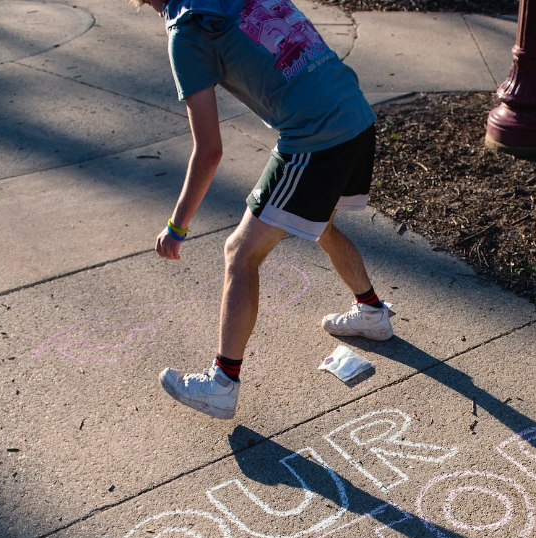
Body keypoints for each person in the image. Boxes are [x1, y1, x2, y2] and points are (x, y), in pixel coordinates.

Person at [136, 0, 391, 419]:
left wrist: (177, 225)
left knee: (240, 252)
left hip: (316, 137)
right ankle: (372, 313)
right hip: (356, 115)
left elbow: (209, 151)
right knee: (318, 222)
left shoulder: (188, 30)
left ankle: (222, 383)